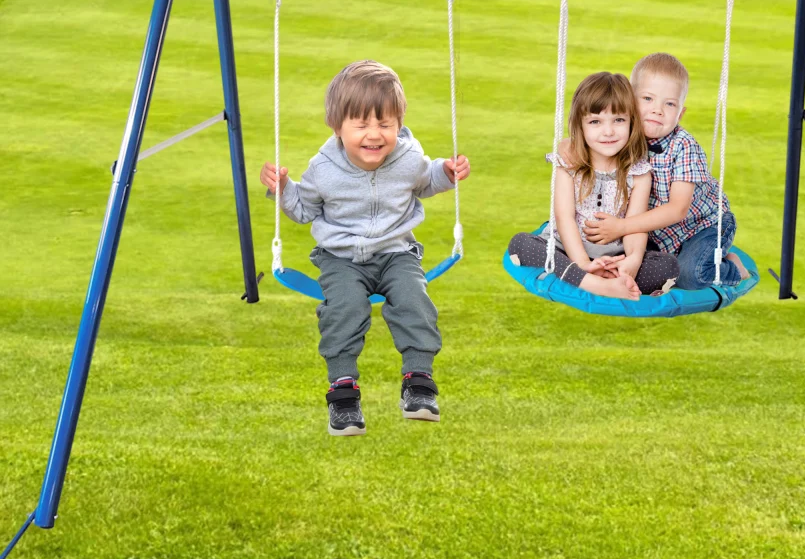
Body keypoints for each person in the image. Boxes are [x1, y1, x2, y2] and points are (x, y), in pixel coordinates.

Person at [260, 60, 470, 437]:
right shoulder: (323, 168)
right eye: (361, 125)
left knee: (414, 299)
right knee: (345, 308)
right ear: (337, 126)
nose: (375, 134)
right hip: (341, 258)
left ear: (398, 124)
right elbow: (304, 210)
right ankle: (343, 392)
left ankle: (418, 382)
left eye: (385, 124)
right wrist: (283, 190)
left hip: (396, 252)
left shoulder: (407, 156)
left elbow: (425, 178)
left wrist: (447, 174)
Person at [580, 53, 750, 290]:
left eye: (669, 104)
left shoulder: (684, 147)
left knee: (691, 275)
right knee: (628, 263)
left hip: (702, 226)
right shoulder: (622, 135)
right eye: (648, 99)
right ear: (630, 101)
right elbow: (587, 138)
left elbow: (678, 209)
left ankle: (733, 268)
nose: (657, 110)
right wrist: (567, 145)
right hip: (657, 233)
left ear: (680, 114)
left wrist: (621, 228)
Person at [508, 72, 679, 301]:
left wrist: (633, 260)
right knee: (521, 244)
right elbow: (564, 217)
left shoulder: (638, 173)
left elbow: (634, 226)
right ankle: (595, 284)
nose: (608, 131)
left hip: (615, 255)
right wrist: (583, 264)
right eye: (595, 122)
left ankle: (609, 279)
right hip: (566, 250)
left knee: (667, 267)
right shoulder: (569, 164)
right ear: (581, 125)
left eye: (618, 120)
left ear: (631, 122)